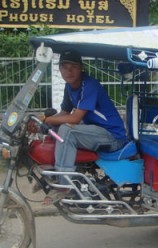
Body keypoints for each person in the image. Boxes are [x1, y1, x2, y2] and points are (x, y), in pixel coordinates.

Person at [43, 49, 127, 202]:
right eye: (64, 66)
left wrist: (46, 119)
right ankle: (57, 173)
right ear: (60, 69)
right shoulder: (69, 87)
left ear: (81, 68)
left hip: (112, 136)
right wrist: (43, 121)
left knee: (67, 130)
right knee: (55, 129)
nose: (69, 71)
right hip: (95, 132)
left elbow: (74, 118)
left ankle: (64, 185)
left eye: (73, 66)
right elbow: (63, 113)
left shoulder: (89, 85)